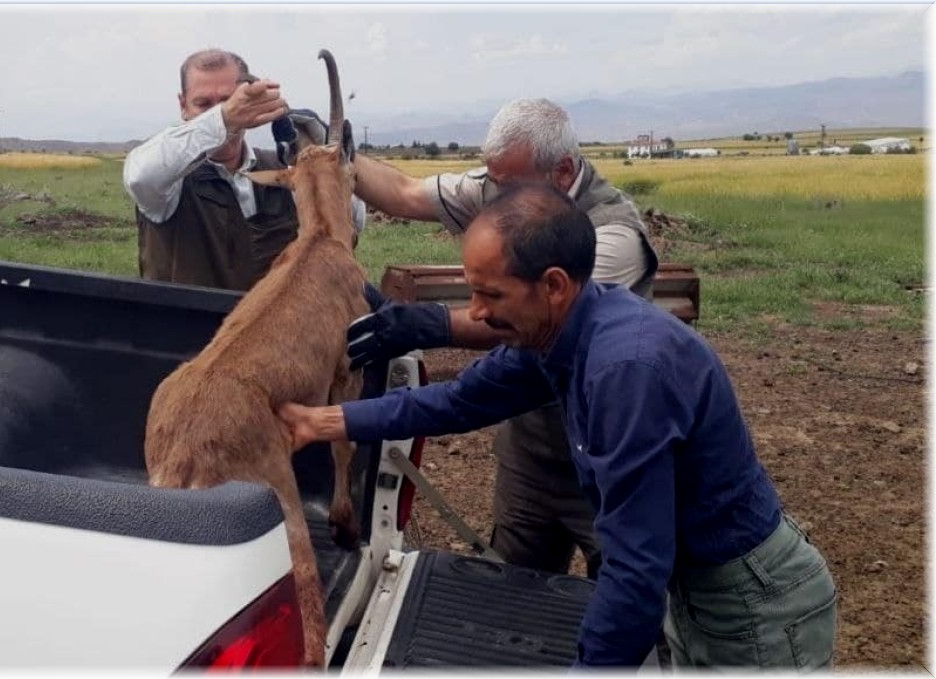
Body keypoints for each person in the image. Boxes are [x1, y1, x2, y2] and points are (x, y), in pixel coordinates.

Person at [278, 182, 838, 669]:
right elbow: (457, 401)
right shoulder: (557, 334)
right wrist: (326, 420)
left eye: (490, 293)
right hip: (696, 590)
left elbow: (636, 567)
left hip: (748, 606)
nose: (473, 312)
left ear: (552, 284)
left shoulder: (627, 371)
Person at [347, 98, 658, 579]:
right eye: (493, 181)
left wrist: (429, 322)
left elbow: (526, 322)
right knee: (515, 582)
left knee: (623, 584)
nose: (497, 195)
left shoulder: (612, 237)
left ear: (563, 171)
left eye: (509, 182)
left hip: (606, 458)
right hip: (531, 448)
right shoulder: (507, 188)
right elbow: (405, 193)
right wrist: (338, 151)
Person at [122, 48, 365, 291]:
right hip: (186, 328)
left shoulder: (285, 171)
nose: (221, 111)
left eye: (228, 101)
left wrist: (321, 168)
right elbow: (140, 177)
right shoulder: (167, 184)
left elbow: (353, 219)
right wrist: (223, 119)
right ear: (183, 105)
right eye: (203, 104)